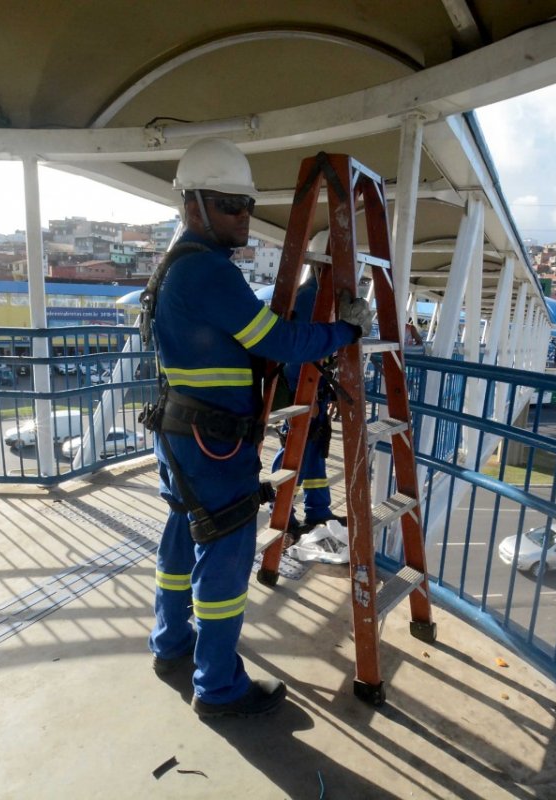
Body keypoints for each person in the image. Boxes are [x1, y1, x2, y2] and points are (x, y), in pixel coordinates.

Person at [143, 137, 372, 719]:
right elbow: (279, 340)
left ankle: (170, 645)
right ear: (193, 204)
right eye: (229, 205)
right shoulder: (207, 272)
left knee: (180, 535)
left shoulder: (178, 265)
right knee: (224, 554)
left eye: (246, 205)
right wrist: (344, 332)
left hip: (181, 433)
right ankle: (218, 688)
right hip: (211, 444)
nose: (243, 217)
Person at [270, 264, 348, 538]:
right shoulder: (308, 298)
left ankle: (318, 510)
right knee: (294, 450)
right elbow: (298, 349)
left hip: (315, 386)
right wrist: (304, 396)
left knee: (313, 450)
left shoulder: (324, 297)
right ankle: (281, 513)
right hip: (301, 387)